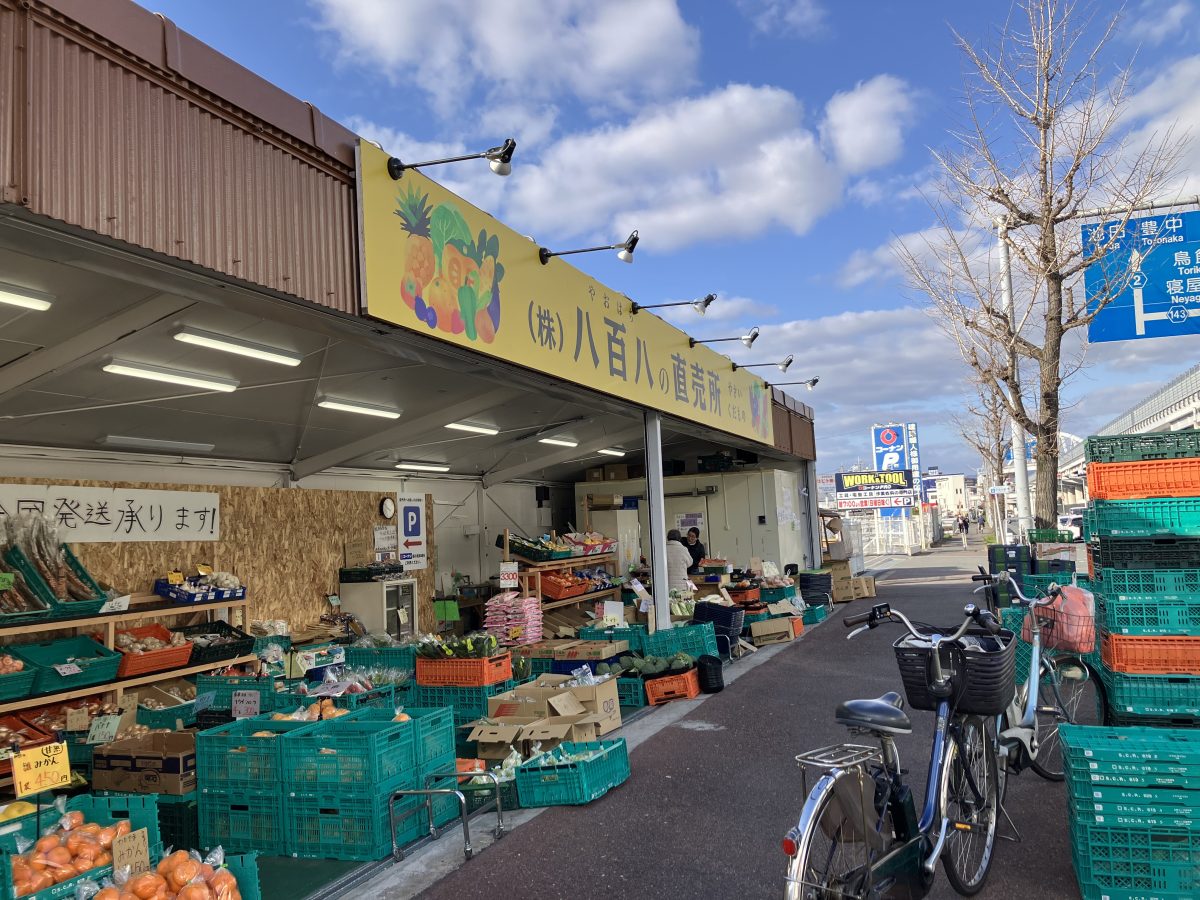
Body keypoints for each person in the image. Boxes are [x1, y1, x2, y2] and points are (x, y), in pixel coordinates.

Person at [665, 529, 694, 593]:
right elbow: (690, 563)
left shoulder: (664, 549)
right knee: (680, 601)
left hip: (667, 583)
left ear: (668, 538)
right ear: (679, 538)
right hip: (681, 583)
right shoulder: (683, 549)